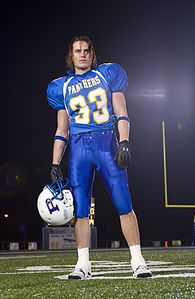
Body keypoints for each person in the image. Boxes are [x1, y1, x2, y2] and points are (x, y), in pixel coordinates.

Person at [47, 35, 152, 279]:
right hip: (79, 150)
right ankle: (83, 264)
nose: (82, 54)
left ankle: (138, 261)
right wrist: (54, 163)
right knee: (81, 211)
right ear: (71, 55)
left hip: (107, 144)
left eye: (86, 50)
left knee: (124, 204)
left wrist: (124, 142)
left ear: (92, 54)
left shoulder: (107, 74)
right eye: (77, 50)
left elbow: (122, 112)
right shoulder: (60, 87)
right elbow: (62, 130)